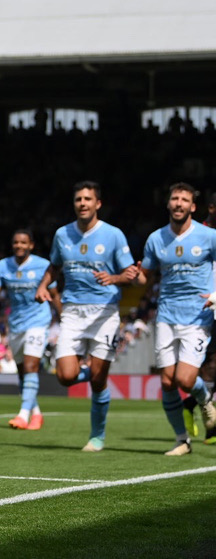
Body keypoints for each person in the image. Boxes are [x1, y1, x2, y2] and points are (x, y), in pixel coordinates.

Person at [36, 181, 140, 452]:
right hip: (72, 311)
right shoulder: (62, 234)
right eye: (78, 199)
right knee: (65, 376)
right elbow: (55, 266)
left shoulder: (113, 235)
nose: (82, 203)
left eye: (87, 199)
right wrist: (41, 285)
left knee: (98, 381)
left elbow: (130, 275)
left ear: (98, 204)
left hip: (104, 312)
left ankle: (97, 436)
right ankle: (93, 373)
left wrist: (115, 277)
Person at [136, 183, 216, 455]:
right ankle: (182, 440)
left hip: (197, 316)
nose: (179, 203)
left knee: (184, 379)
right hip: (166, 316)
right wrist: (135, 276)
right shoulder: (156, 239)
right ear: (168, 204)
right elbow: (145, 276)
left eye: (185, 200)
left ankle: (206, 402)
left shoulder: (209, 236)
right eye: (175, 199)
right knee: (167, 382)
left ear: (193, 207)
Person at [0, 229, 60, 430]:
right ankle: (36, 414)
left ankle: (22, 415)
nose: (19, 246)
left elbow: (54, 294)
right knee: (22, 373)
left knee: (30, 366)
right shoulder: (3, 266)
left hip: (38, 321)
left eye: (23, 242)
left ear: (31, 245)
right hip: (16, 324)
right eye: (16, 242)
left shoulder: (43, 265)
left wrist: (64, 318)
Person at [182, 191, 216, 444]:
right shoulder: (197, 233)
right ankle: (193, 405)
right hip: (197, 310)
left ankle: (202, 414)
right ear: (212, 208)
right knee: (202, 368)